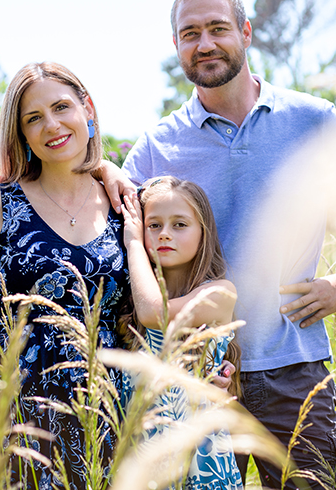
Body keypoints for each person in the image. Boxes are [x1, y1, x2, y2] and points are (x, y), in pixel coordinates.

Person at [108, 0, 336, 489]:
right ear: (177, 45)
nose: (204, 43)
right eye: (190, 33)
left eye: (218, 28)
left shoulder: (311, 119)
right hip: (195, 371)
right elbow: (119, 233)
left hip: (293, 369)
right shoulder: (158, 145)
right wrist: (105, 172)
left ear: (245, 33)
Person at [0, 62, 130, 490]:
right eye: (34, 118)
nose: (52, 125)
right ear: (21, 133)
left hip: (106, 414)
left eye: (62, 107)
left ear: (88, 110)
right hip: (14, 417)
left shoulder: (125, 202)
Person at [120, 176, 243, 490]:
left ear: (204, 233)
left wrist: (134, 241)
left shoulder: (218, 293)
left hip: (200, 462)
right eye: (153, 225)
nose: (164, 235)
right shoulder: (126, 299)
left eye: (179, 225)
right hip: (140, 459)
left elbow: (153, 314)